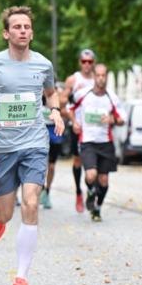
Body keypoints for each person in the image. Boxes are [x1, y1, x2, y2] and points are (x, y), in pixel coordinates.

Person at [0, 6, 64, 285]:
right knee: (7, 212)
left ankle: (21, 279)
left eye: (27, 27)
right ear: (6, 33)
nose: (22, 30)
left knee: (31, 203)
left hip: (34, 143)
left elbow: (51, 92)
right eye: (16, 27)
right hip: (2, 147)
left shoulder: (43, 64)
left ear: (32, 32)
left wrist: (56, 111)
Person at [71, 64, 124, 222]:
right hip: (87, 141)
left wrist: (112, 119)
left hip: (106, 143)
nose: (101, 78)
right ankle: (91, 191)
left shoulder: (112, 98)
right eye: (98, 75)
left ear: (106, 77)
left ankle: (98, 208)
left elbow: (122, 119)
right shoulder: (83, 94)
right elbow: (69, 108)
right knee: (90, 174)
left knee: (104, 180)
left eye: (103, 75)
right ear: (94, 76)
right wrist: (74, 123)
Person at [62, 49, 97, 213]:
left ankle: (91, 189)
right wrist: (71, 117)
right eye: (84, 61)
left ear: (94, 63)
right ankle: (78, 192)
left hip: (96, 127)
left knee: (94, 162)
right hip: (78, 127)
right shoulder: (73, 79)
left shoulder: (99, 78)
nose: (87, 65)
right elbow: (62, 101)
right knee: (78, 161)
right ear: (80, 62)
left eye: (90, 62)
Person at [40, 87, 66, 209]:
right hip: (40, 130)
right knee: (40, 164)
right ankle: (40, 188)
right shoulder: (36, 95)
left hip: (53, 131)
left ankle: (47, 192)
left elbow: (65, 107)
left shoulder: (56, 96)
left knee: (51, 166)